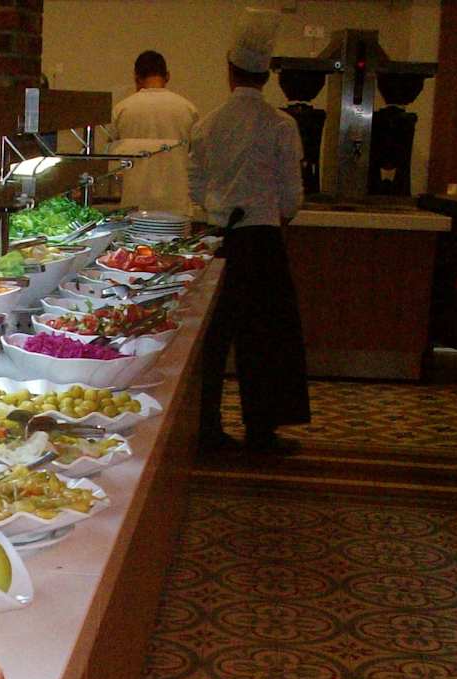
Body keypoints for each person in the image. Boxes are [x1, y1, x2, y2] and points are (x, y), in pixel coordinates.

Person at [189, 8, 309, 455]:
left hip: (219, 239)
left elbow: (196, 188)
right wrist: (278, 214)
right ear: (267, 75)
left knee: (213, 340)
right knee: (265, 340)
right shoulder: (281, 125)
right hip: (262, 241)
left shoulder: (207, 125)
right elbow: (292, 198)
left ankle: (207, 429)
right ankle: (261, 432)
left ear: (229, 71)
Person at [109, 51, 200, 216]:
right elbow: (196, 158)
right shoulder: (187, 109)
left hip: (135, 204)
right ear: (167, 76)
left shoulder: (122, 109)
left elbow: (112, 153)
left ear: (137, 78)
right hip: (177, 205)